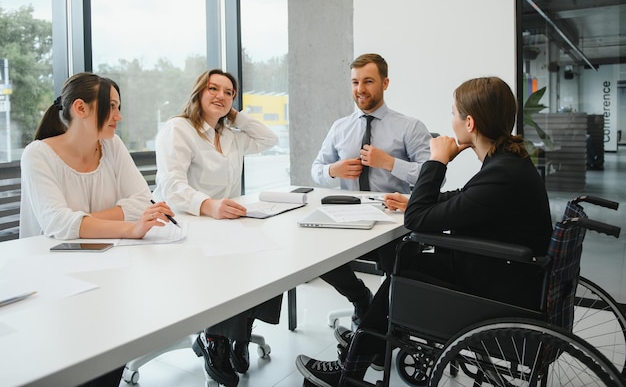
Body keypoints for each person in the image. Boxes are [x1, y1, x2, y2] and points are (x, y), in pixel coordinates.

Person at [296, 76, 553, 386]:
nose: (451, 120)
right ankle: (365, 347)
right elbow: (465, 198)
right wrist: (414, 200)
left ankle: (354, 363)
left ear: (469, 122)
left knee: (403, 271)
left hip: (500, 290)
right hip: (506, 275)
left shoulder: (502, 172)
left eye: (454, 113)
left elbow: (417, 221)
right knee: (406, 267)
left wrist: (437, 160)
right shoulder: (507, 164)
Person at [19, 72, 176, 386]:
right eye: (112, 107)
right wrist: (127, 229)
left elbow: (140, 200)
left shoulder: (112, 145)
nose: (119, 116)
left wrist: (81, 222)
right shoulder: (37, 154)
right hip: (54, 279)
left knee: (109, 358)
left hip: (108, 269)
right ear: (81, 108)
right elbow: (57, 223)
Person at [153, 68, 282, 387]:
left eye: (228, 92)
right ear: (198, 92)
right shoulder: (179, 128)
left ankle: (240, 334)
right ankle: (215, 340)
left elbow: (270, 138)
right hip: (185, 224)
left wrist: (235, 116)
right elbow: (171, 185)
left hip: (223, 224)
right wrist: (209, 205)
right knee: (231, 264)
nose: (221, 96)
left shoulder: (231, 135)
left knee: (269, 257)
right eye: (213, 88)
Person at [311, 53, 431, 329]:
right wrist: (334, 170)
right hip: (348, 217)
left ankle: (381, 326)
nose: (360, 89)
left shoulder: (409, 127)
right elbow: (316, 169)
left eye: (368, 81)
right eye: (355, 82)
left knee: (398, 268)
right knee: (315, 254)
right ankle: (360, 298)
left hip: (391, 220)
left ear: (385, 83)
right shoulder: (340, 128)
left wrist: (390, 163)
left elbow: (432, 176)